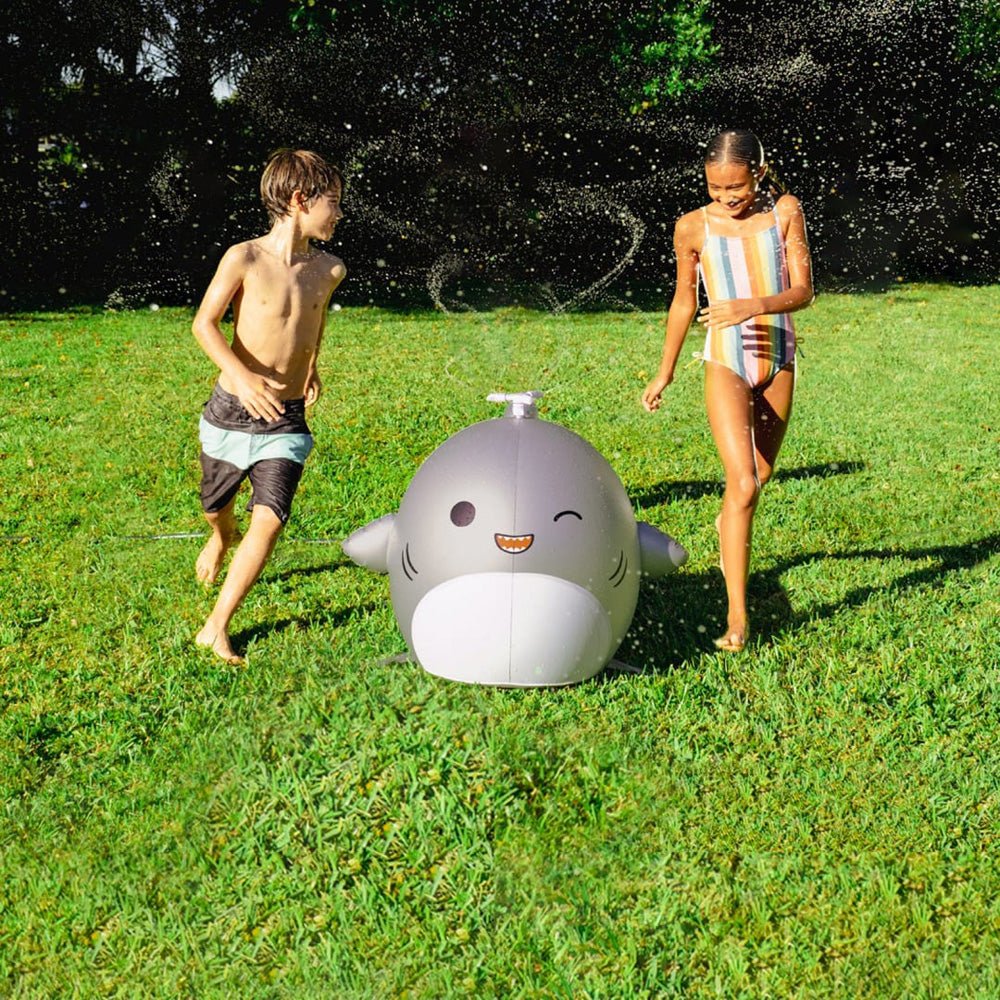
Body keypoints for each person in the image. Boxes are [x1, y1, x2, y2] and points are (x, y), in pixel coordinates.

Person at [642, 129, 814, 652]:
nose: (726, 197)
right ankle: (737, 616)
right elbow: (683, 302)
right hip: (726, 360)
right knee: (742, 483)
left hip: (778, 360)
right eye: (716, 188)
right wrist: (666, 371)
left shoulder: (784, 212)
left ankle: (728, 525)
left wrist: (751, 306)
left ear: (757, 173)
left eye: (735, 187)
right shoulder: (692, 227)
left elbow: (804, 291)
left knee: (759, 476)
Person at [191, 148, 346, 664]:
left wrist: (312, 365)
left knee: (271, 519)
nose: (339, 214)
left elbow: (313, 320)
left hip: (286, 414)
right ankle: (220, 537)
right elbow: (204, 324)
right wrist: (241, 377)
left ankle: (217, 626)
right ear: (300, 200)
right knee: (216, 508)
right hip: (232, 410)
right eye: (333, 202)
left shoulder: (329, 269)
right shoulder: (245, 258)